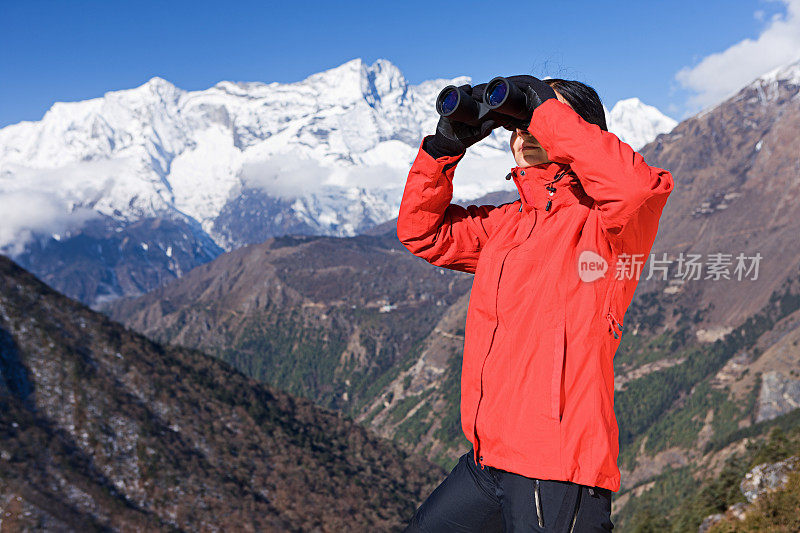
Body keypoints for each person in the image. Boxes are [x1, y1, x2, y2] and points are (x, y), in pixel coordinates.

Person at [396, 75, 674, 532]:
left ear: (575, 130)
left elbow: (636, 189)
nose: (524, 132)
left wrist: (542, 107)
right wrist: (443, 147)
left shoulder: (608, 227)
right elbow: (423, 233)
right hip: (490, 459)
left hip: (558, 465)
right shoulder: (507, 223)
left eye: (537, 121)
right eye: (517, 124)